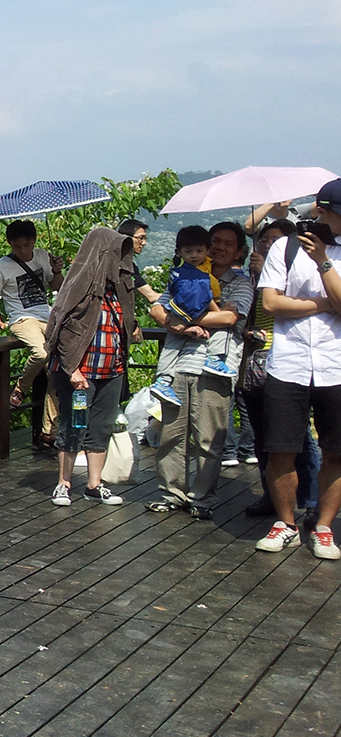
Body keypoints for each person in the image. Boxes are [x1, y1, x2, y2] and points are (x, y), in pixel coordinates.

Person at [253, 182, 341, 560]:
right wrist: (323, 302)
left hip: (336, 364)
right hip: (288, 363)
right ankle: (286, 522)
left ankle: (323, 526)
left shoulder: (327, 253)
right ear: (322, 210)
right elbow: (271, 302)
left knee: (336, 452)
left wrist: (323, 260)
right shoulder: (284, 247)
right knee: (281, 450)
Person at [145, 222, 253, 520]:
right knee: (172, 435)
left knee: (209, 439)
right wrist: (181, 321)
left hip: (216, 369)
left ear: (238, 252)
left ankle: (202, 498)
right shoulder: (187, 275)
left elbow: (230, 318)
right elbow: (157, 308)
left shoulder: (240, 283)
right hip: (180, 366)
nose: (219, 247)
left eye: (227, 244)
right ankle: (171, 493)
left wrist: (183, 320)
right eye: (215, 241)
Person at [43, 226, 135, 506]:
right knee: (74, 425)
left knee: (101, 427)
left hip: (111, 370)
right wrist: (72, 369)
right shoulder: (79, 288)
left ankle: (94, 484)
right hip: (79, 374)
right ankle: (64, 483)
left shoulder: (116, 290)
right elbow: (61, 329)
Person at [239, 220, 320, 522]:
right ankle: (271, 495)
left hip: (289, 361)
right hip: (257, 362)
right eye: (264, 240)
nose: (268, 245)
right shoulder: (252, 276)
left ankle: (312, 500)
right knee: (267, 437)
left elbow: (282, 306)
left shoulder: (298, 271)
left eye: (275, 240)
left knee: (300, 440)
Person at [0, 219, 64, 441]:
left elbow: (58, 286)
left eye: (26, 245)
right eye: (16, 246)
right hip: (22, 319)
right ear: (9, 244)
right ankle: (20, 388)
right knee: (41, 353)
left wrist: (57, 270)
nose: (22, 250)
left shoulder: (42, 256)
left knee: (58, 371)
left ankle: (50, 430)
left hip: (46, 315)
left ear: (33, 241)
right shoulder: (0, 267)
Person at [148, 225, 232, 405]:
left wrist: (181, 321)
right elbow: (207, 298)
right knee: (222, 331)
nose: (194, 255)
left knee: (172, 346)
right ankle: (215, 358)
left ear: (207, 251)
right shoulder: (200, 275)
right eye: (189, 251)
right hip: (189, 315)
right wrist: (218, 312)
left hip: (176, 314)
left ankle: (163, 380)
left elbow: (166, 299)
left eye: (199, 251)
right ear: (179, 252)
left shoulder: (178, 272)